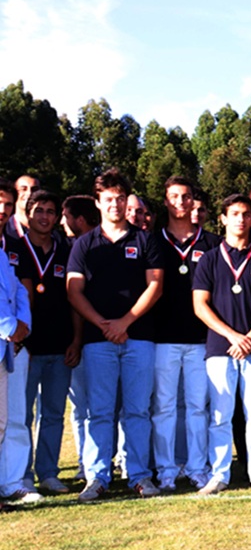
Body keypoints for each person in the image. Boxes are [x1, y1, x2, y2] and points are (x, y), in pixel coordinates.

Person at [67, 168, 164, 502]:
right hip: (98, 342)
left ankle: (139, 476)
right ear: (98, 202)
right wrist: (103, 324)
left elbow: (155, 285)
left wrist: (124, 322)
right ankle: (97, 477)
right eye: (109, 199)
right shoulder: (83, 244)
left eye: (121, 198)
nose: (116, 205)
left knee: (137, 410)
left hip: (138, 338)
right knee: (101, 412)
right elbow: (74, 292)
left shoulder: (145, 239)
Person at [192, 194, 251, 494]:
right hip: (220, 349)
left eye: (246, 214)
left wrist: (250, 338)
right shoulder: (209, 259)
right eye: (234, 214)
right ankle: (219, 474)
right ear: (223, 219)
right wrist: (232, 336)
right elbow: (200, 305)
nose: (240, 219)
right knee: (220, 415)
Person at [150, 176, 221, 492]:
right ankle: (166, 469)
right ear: (165, 200)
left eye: (187, 196)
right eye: (174, 196)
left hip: (199, 340)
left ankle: (196, 468)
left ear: (194, 201)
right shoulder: (152, 240)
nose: (181, 201)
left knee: (197, 407)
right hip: (162, 338)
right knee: (164, 407)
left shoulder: (212, 243)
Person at [14, 190, 79, 495]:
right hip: (24, 348)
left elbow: (74, 300)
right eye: (39, 210)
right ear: (27, 214)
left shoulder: (66, 249)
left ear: (57, 217)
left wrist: (77, 339)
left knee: (53, 413)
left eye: (51, 211)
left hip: (59, 345)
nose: (45, 216)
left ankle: (49, 473)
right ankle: (22, 476)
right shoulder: (12, 249)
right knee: (22, 415)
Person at [59, 195, 99, 480]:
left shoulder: (90, 249)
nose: (62, 222)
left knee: (96, 408)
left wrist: (77, 338)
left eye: (65, 216)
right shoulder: (69, 248)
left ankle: (101, 463)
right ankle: (87, 463)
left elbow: (78, 300)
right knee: (82, 408)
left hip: (93, 340)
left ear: (79, 219)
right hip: (81, 341)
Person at [0, 182, 32, 504]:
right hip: (4, 337)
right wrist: (10, 327)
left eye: (7, 205)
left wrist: (23, 325)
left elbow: (18, 291)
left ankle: (9, 484)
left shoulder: (2, 248)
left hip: (6, 348)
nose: (2, 211)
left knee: (3, 422)